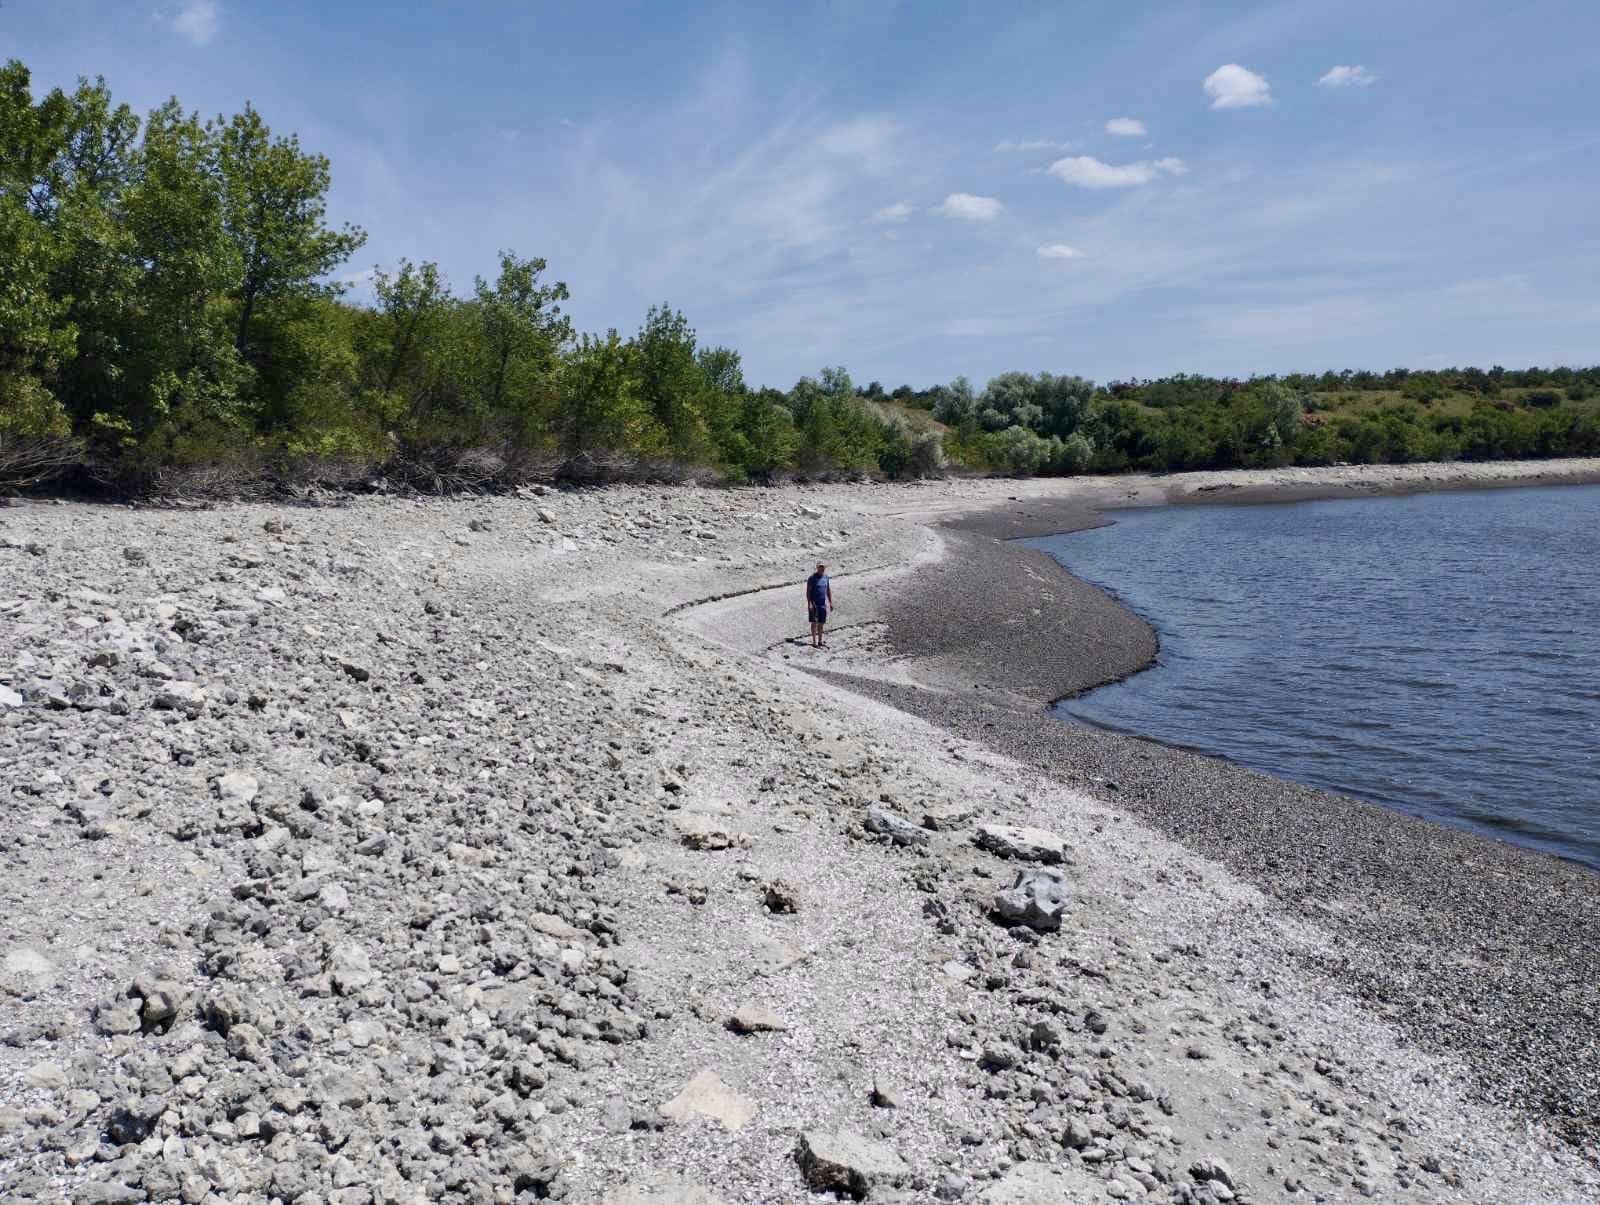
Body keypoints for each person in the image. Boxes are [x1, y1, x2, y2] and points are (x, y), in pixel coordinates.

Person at [805, 562, 833, 648]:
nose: (822, 568)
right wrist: (809, 603)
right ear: (817, 568)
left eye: (823, 567)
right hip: (814, 604)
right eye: (820, 567)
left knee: (821, 623)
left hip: (822, 604)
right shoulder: (812, 578)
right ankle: (814, 642)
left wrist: (830, 602)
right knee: (814, 623)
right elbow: (808, 592)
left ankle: (820, 641)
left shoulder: (826, 577)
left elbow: (828, 590)